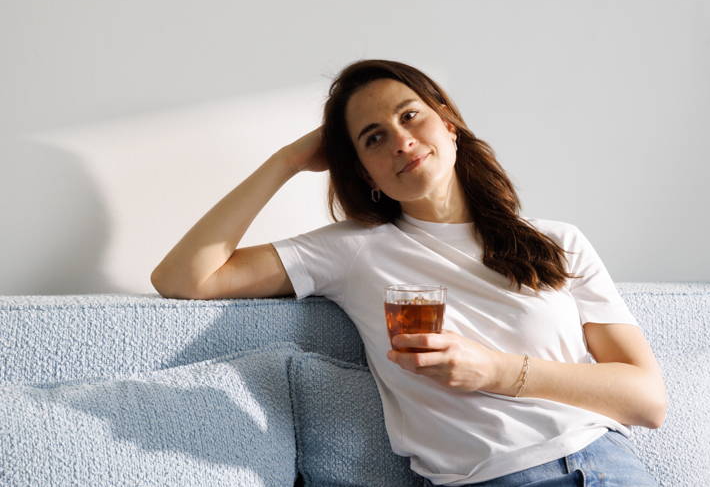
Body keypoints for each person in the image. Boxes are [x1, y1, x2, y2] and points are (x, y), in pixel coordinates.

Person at [151, 59, 667, 486]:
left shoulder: (557, 241)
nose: (400, 140)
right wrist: (287, 160)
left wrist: (496, 371)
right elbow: (184, 277)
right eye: (373, 138)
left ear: (449, 124)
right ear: (363, 172)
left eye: (410, 116)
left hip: (609, 466)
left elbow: (647, 401)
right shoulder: (354, 251)